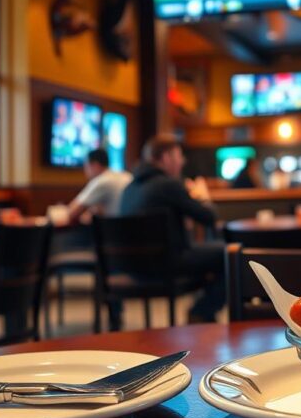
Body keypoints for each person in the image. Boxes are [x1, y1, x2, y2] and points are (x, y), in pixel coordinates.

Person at [118, 135, 223, 324]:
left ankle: (204, 314)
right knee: (230, 253)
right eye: (179, 156)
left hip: (132, 268)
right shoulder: (168, 184)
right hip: (165, 265)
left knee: (213, 255)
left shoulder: (129, 188)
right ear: (166, 157)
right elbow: (208, 217)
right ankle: (201, 311)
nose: (182, 162)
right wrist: (203, 196)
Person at [67, 149, 132, 223]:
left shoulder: (102, 180)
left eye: (86, 166)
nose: (85, 171)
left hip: (115, 231)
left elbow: (71, 213)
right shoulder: (127, 175)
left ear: (95, 165)